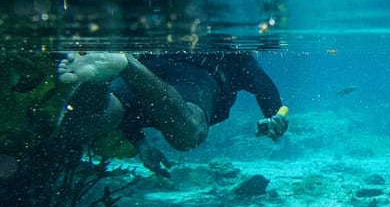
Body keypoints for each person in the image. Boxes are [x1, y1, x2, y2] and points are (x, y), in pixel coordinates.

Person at [56, 51, 288, 177]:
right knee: (189, 134)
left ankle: (101, 80)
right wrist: (275, 116)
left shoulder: (234, 54)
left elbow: (132, 114)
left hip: (149, 67)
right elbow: (263, 85)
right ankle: (126, 64)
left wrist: (142, 146)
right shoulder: (234, 56)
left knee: (83, 124)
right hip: (193, 77)